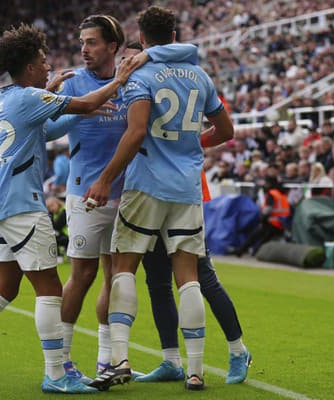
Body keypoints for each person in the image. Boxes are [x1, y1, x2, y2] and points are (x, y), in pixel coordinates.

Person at [0, 23, 138, 394]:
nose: (49, 67)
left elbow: (45, 131)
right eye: (43, 61)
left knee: (4, 287)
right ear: (29, 66)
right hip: (24, 205)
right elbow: (89, 102)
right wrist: (119, 79)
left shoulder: (4, 97)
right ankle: (57, 374)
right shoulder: (31, 96)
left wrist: (70, 107)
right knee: (50, 288)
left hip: (0, 203)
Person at [84, 6, 234, 391]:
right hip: (186, 188)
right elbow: (225, 129)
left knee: (124, 269)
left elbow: (135, 133)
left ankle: (118, 360)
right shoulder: (200, 76)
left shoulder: (140, 73)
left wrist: (104, 179)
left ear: (143, 37)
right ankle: (196, 370)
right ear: (174, 33)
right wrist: (191, 146)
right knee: (189, 279)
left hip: (147, 183)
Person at [121, 42, 251, 386]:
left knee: (201, 277)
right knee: (158, 281)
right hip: (158, 188)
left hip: (182, 190)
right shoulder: (143, 86)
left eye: (132, 56)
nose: (127, 62)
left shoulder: (151, 78)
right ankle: (170, 360)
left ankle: (238, 350)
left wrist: (192, 143)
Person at [44, 14, 133, 383]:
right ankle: (62, 359)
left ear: (113, 46)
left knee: (116, 277)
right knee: (82, 274)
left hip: (127, 195)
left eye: (92, 42)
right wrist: (56, 99)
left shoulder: (132, 81)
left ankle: (106, 359)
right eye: (82, 42)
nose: (84, 49)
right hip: (84, 195)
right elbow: (46, 131)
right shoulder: (73, 83)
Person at [235, 176, 291, 257]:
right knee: (264, 239)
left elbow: (268, 210)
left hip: (272, 223)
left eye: (265, 183)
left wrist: (262, 221)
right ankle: (254, 252)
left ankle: (241, 251)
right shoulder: (280, 194)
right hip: (281, 224)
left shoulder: (272, 194)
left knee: (254, 236)